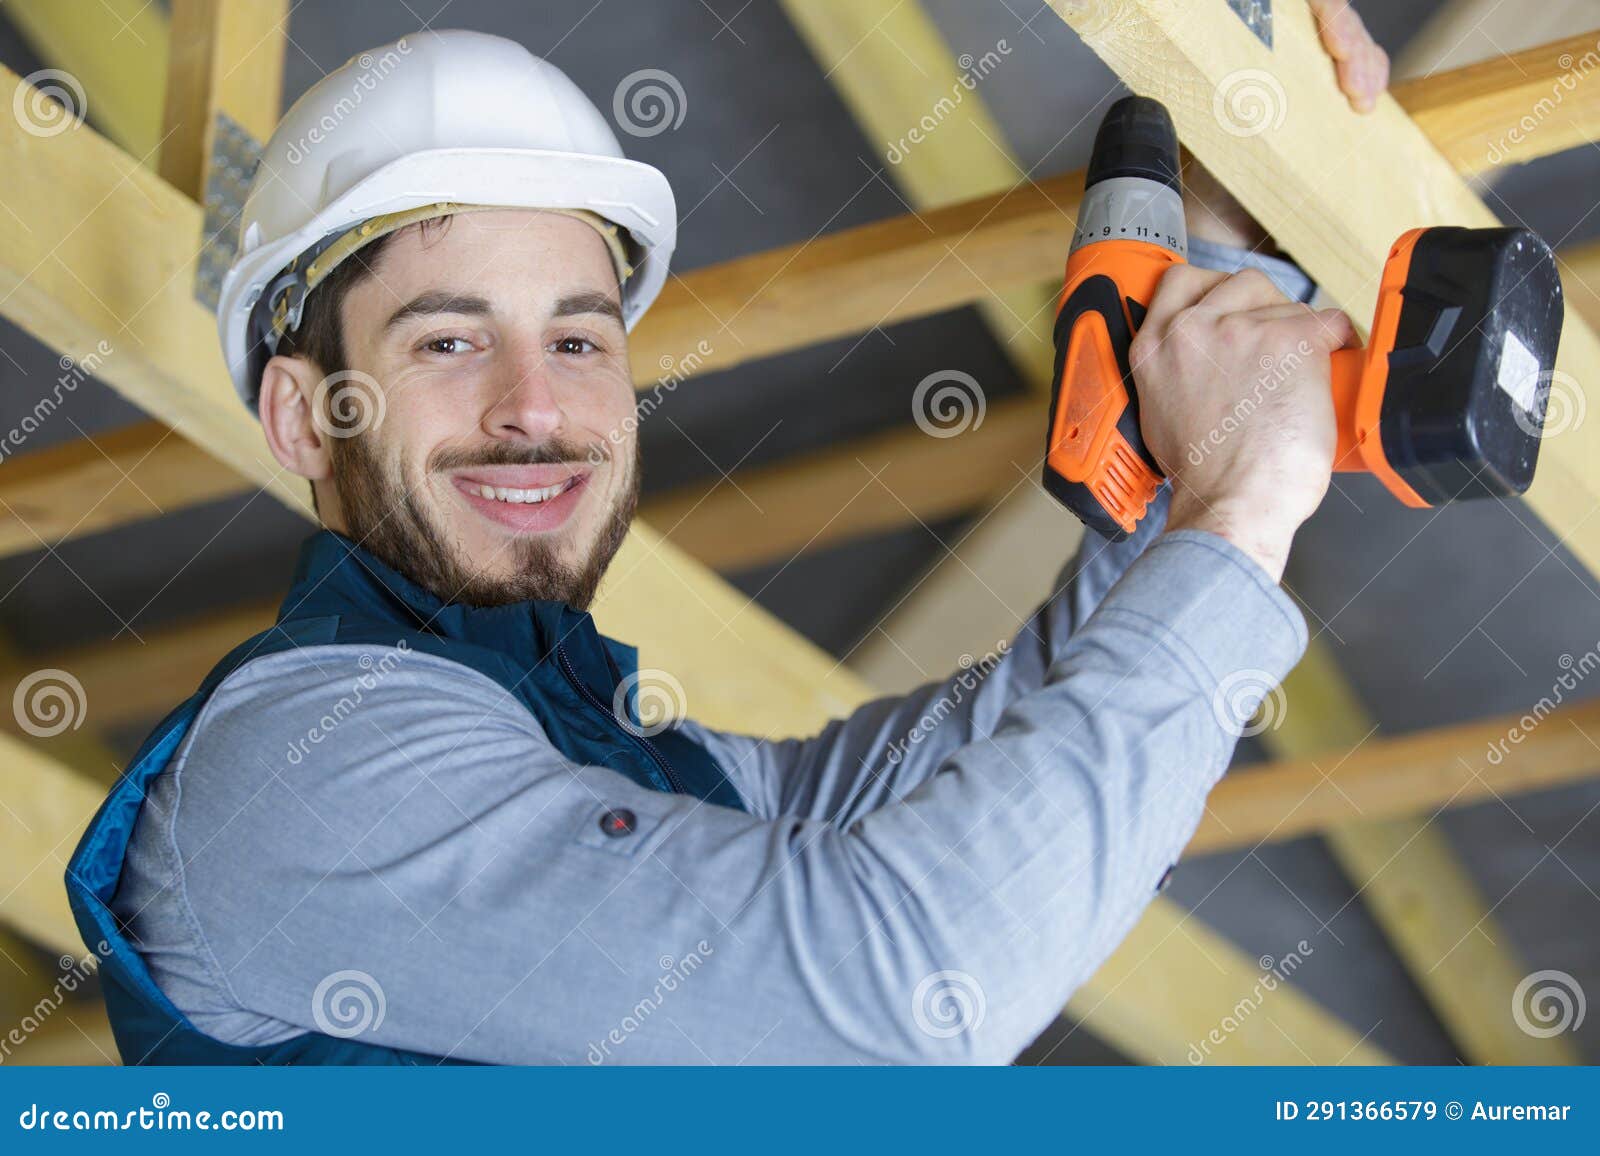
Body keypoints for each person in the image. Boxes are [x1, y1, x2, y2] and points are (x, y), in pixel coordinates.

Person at [68, 8, 1390, 1065]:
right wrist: (1237, 511)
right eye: (451, 341)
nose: (536, 408)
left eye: (579, 337)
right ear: (305, 417)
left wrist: (1228, 273)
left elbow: (1006, 775)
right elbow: (916, 996)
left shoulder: (619, 755)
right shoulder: (305, 770)